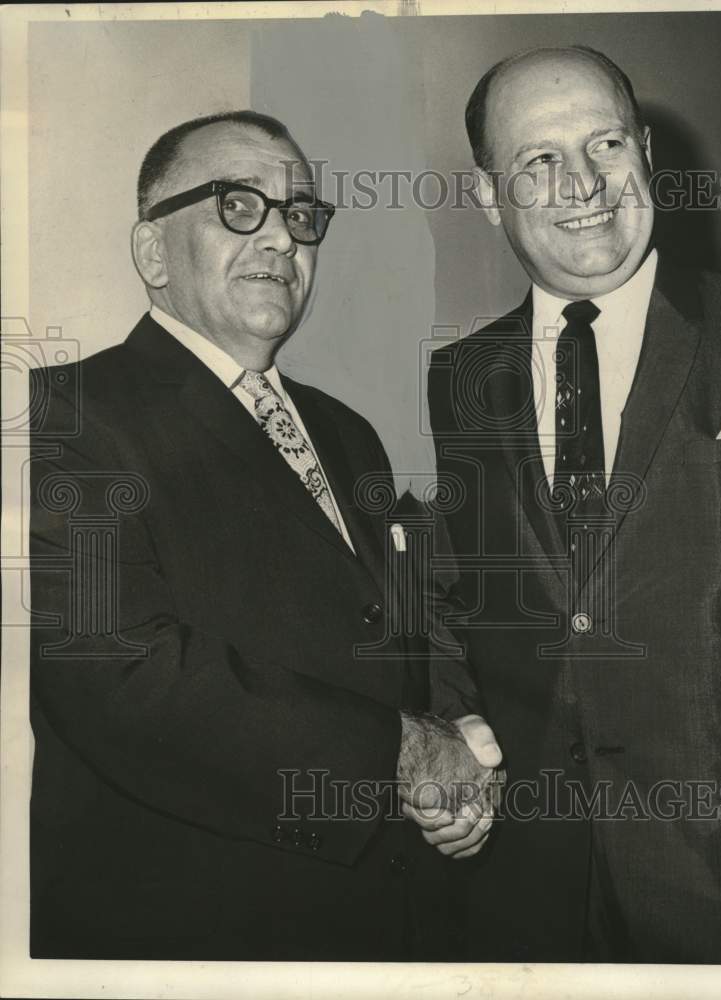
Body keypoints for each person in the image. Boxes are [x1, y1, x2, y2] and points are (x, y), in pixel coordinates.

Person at [28, 110, 502, 961]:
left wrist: (455, 760)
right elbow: (117, 672)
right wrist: (399, 752)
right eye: (239, 205)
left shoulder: (346, 431)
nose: (282, 238)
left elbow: (400, 635)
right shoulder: (65, 415)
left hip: (378, 917)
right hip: (192, 935)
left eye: (301, 214)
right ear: (150, 253)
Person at [428, 46, 721, 963]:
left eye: (605, 142)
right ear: (490, 196)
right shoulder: (459, 377)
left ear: (647, 151)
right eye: (537, 160)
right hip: (531, 887)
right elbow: (467, 593)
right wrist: (461, 730)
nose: (582, 182)